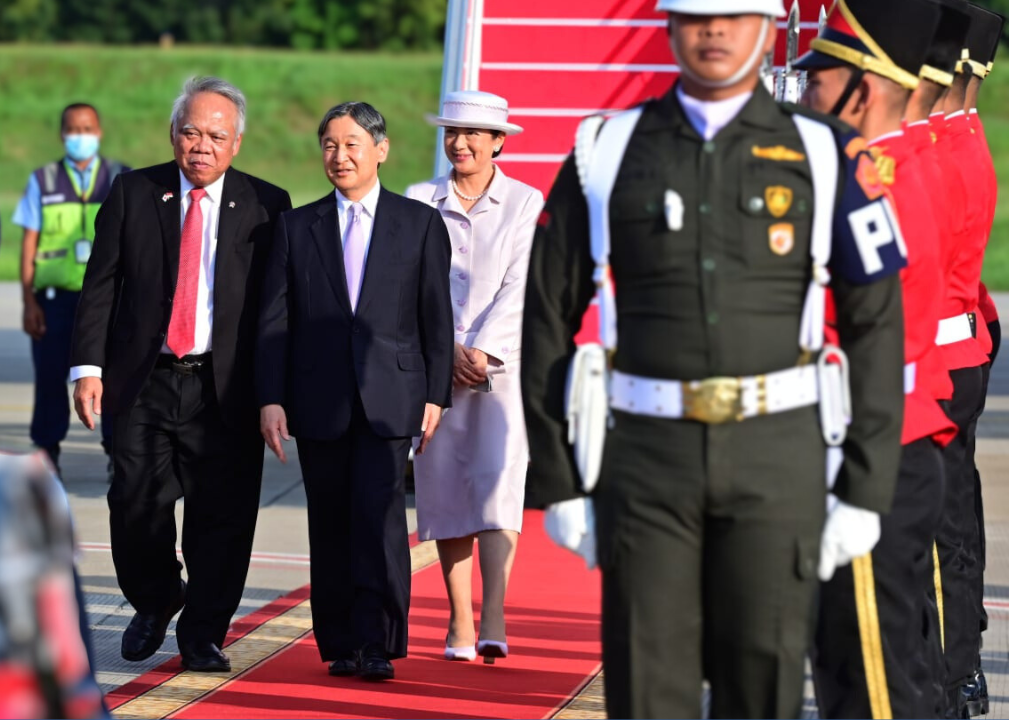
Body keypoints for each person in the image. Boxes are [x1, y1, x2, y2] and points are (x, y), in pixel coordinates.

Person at [520, 0, 908, 715]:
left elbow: (877, 324)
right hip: (646, 462)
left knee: (763, 682)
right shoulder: (604, 151)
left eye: (736, 14)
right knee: (647, 685)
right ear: (669, 25)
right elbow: (546, 314)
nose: (715, 30)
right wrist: (560, 479)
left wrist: (864, 486)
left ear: (767, 28)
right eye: (698, 15)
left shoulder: (826, 153)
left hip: (777, 460)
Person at [71, 76, 291, 673]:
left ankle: (203, 632)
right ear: (173, 135)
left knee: (222, 517)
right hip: (144, 380)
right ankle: (158, 597)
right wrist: (88, 367)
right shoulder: (133, 192)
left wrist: (274, 395)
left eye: (216, 136)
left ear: (236, 143)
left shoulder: (269, 206)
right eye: (190, 132)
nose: (202, 146)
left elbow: (276, 313)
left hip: (225, 389)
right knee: (133, 505)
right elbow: (101, 286)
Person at [795, 1, 956, 715]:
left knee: (872, 689)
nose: (803, 97)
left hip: (866, 448)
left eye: (815, 83)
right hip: (887, 441)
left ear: (859, 90)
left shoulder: (869, 183)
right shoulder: (889, 171)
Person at [256, 101, 453, 682]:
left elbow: (436, 318)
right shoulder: (297, 227)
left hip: (392, 399)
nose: (339, 157)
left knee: (382, 522)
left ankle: (379, 641)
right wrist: (271, 397)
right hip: (319, 402)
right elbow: (275, 321)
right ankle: (339, 640)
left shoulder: (418, 224)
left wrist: (435, 394)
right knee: (331, 524)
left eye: (351, 145)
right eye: (329, 146)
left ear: (380, 150)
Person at [403, 90, 542, 664]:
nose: (460, 143)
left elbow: (522, 282)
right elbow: (407, 281)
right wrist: (446, 350)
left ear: (498, 142)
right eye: (452, 132)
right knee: (446, 492)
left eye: (473, 134)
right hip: (435, 373)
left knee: (499, 488)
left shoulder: (524, 201)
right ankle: (459, 616)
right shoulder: (418, 198)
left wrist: (481, 350)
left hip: (501, 371)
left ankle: (494, 611)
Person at [931, 6, 1004, 716]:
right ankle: (960, 658)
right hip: (965, 340)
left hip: (939, 353)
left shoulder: (937, 147)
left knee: (938, 526)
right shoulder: (962, 137)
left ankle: (952, 667)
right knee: (955, 514)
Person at [14, 102, 129, 476]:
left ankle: (115, 451)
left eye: (87, 129)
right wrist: (28, 300)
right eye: (73, 130)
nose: (81, 136)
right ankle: (47, 452)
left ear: (100, 132)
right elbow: (29, 243)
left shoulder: (120, 178)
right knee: (49, 379)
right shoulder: (43, 180)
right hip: (55, 300)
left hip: (107, 300)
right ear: (62, 134)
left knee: (110, 377)